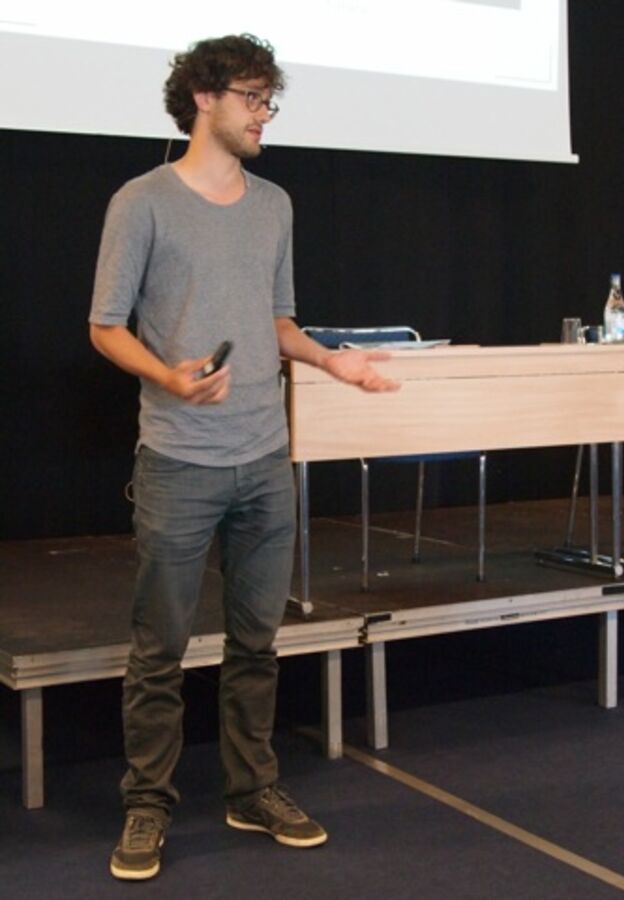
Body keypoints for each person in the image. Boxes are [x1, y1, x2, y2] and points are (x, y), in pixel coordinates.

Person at [89, 33, 398, 882]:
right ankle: (147, 803)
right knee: (159, 648)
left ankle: (250, 788)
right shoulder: (141, 201)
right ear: (204, 97)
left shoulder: (274, 204)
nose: (266, 115)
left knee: (256, 642)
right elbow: (104, 326)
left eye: (270, 100)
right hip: (180, 463)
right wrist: (170, 378)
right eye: (254, 98)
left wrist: (333, 360)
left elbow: (277, 321)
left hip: (266, 457)